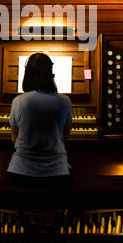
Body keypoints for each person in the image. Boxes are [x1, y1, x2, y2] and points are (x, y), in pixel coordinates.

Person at [6, 52, 73, 187]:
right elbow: (64, 139)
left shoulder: (17, 101)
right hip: (57, 174)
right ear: (50, 74)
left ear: (27, 75)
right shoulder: (65, 101)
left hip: (20, 173)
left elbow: (14, 140)